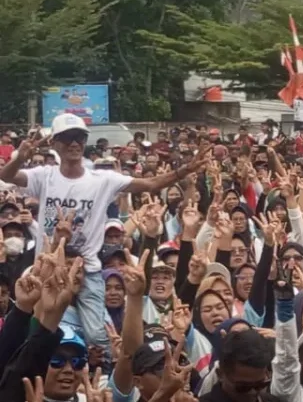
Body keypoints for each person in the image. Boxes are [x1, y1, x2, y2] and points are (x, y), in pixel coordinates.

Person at [0, 114, 209, 353]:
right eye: (67, 138)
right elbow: (6, 176)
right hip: (46, 269)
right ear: (54, 143)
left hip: (86, 270)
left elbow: (150, 184)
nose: (74, 143)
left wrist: (183, 170)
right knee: (35, 333)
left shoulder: (102, 180)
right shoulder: (44, 175)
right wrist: (20, 158)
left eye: (79, 137)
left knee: (99, 338)